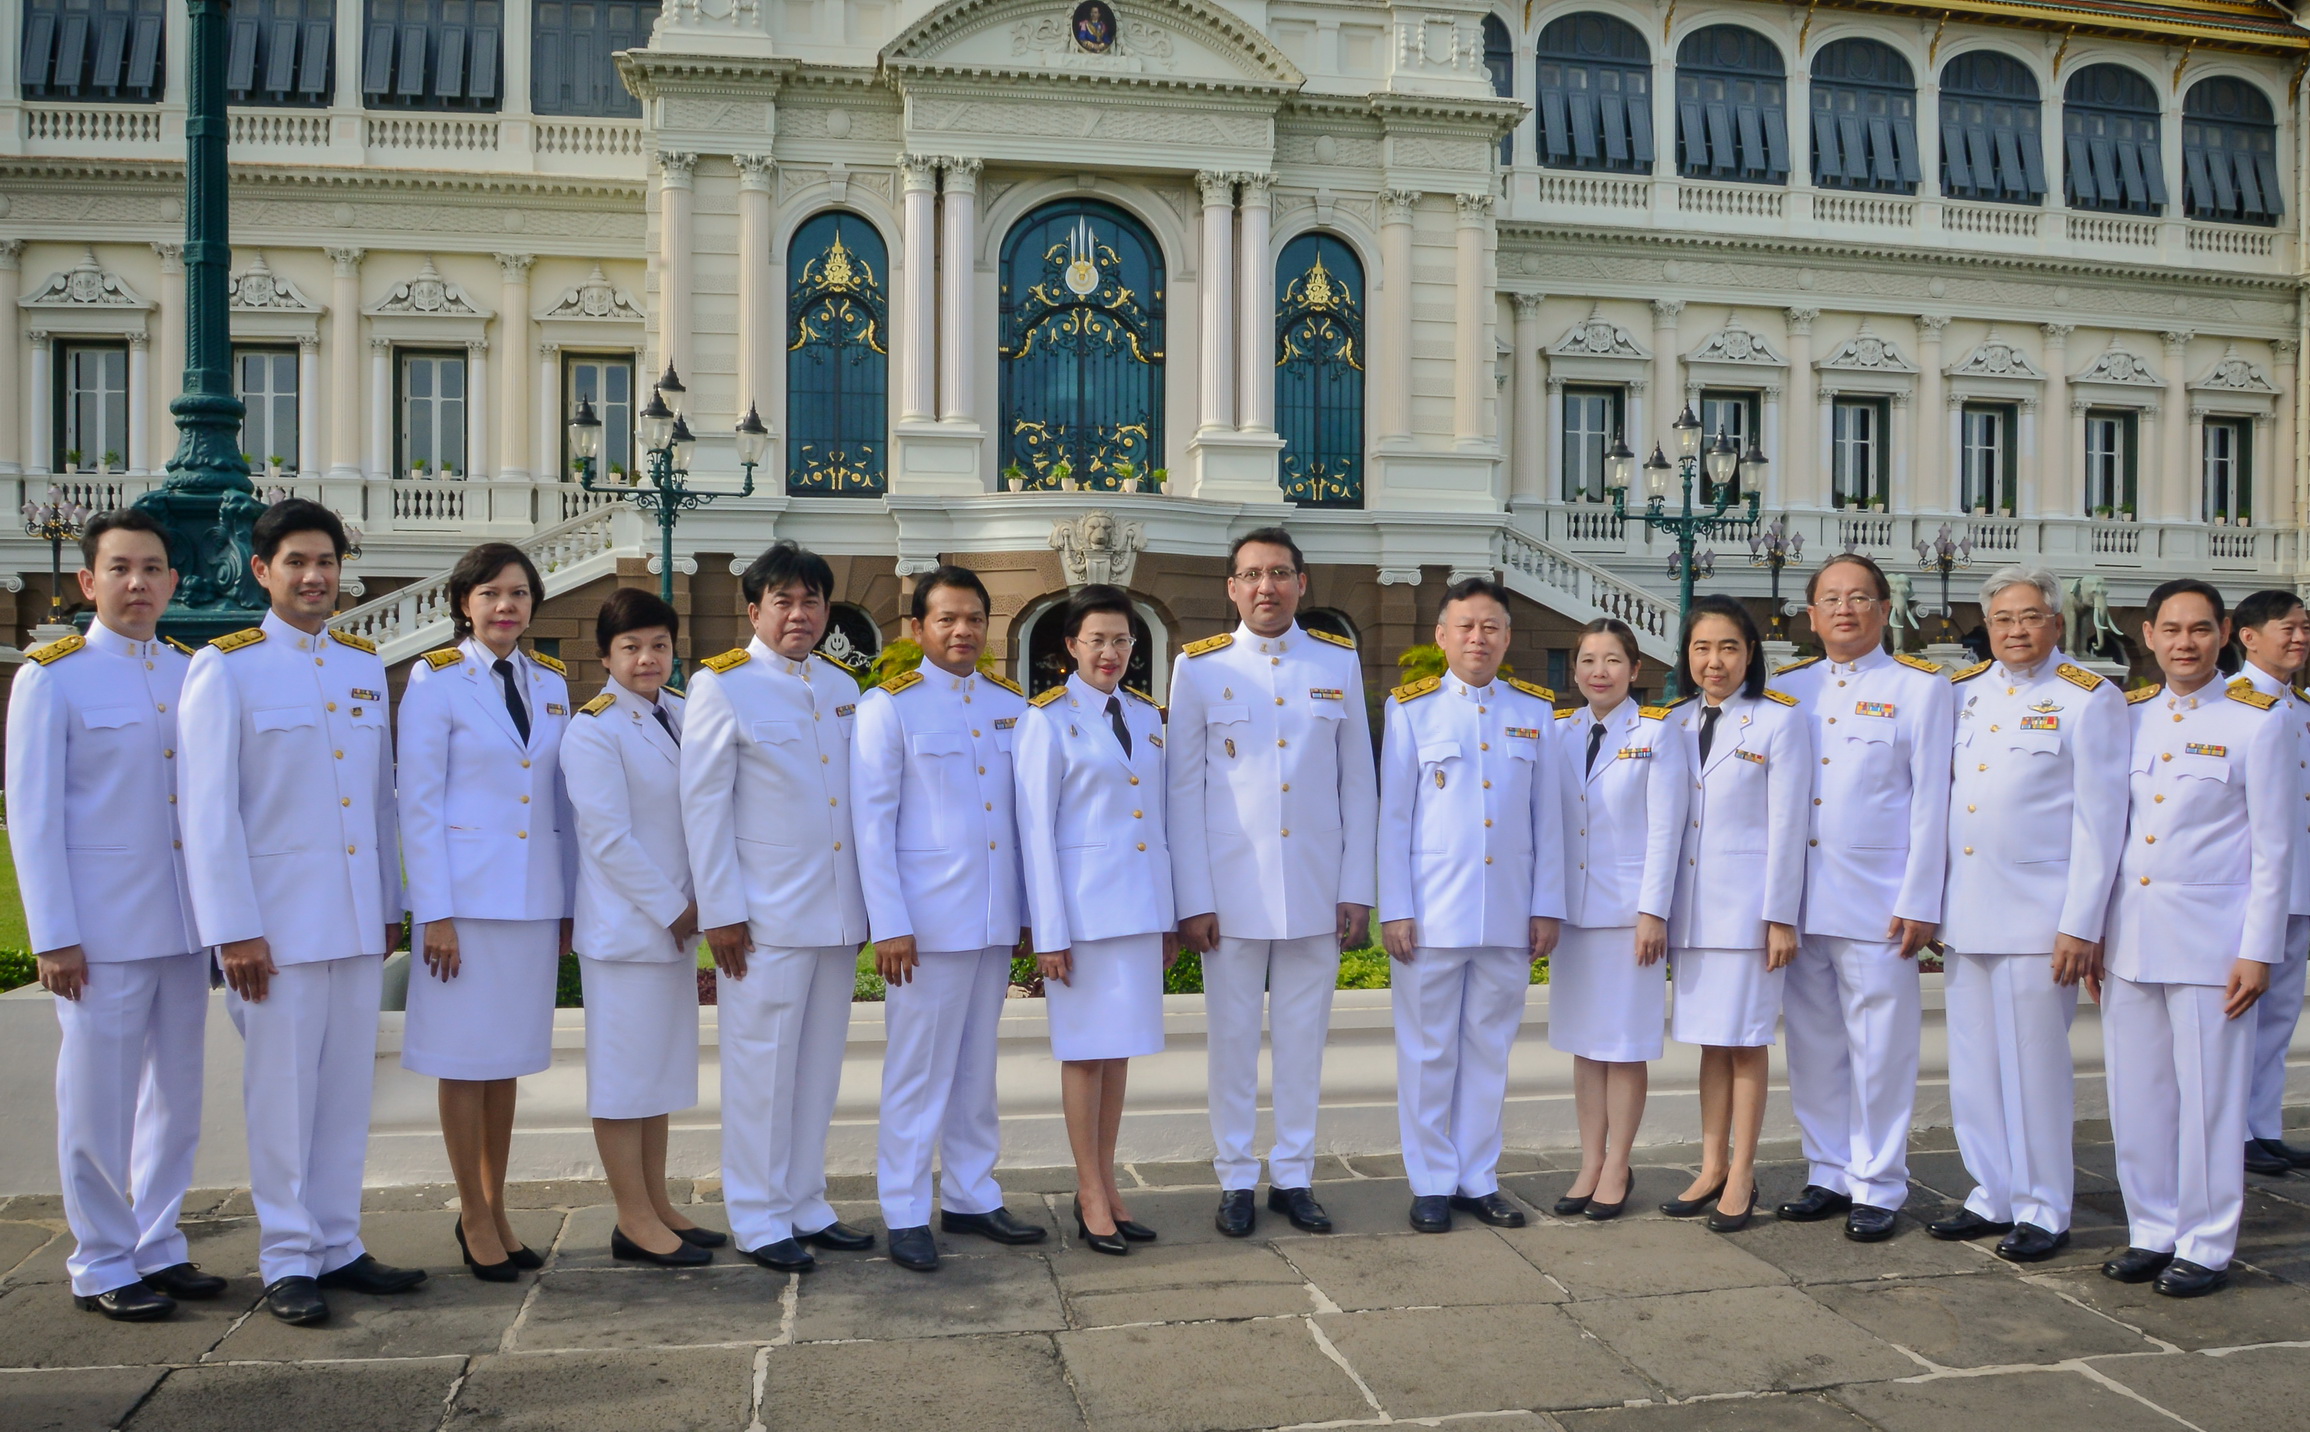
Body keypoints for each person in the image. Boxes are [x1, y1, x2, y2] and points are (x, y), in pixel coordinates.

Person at [179, 499, 424, 1326]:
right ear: (262, 571)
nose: (316, 577)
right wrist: (234, 927)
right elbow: (207, 812)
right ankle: (288, 1256)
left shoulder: (360, 665)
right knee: (281, 1093)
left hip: (355, 923)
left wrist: (390, 903)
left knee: (345, 1090)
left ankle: (338, 1242)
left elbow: (379, 805)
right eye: (297, 563)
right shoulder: (226, 666)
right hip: (273, 931)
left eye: (326, 562)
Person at [6, 509, 219, 1321]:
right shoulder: (53, 675)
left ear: (172, 582)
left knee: (176, 1095)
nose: (139, 583)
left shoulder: (188, 671)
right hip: (98, 933)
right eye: (122, 569)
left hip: (181, 925)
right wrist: (53, 935)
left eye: (153, 569)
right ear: (88, 582)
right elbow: (32, 818)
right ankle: (100, 1260)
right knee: (96, 1101)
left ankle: (159, 1242)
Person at [1168, 527, 1378, 1237]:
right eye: (1252, 574)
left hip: (1316, 890)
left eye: (1280, 573)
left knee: (1302, 1041)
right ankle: (1234, 1178)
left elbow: (1360, 786)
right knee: (1230, 1043)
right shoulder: (1199, 668)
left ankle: (1293, 1175)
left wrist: (1357, 888)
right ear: (1231, 588)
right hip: (1228, 896)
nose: (1267, 587)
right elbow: (1182, 792)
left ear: (1302, 583)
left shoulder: (1338, 663)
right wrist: (1192, 899)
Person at [683, 542, 875, 1275]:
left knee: (818, 1067)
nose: (800, 615)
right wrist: (721, 912)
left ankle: (805, 1200)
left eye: (813, 602)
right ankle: (758, 1216)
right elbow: (702, 807)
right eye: (784, 602)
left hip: (834, 913)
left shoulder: (839, 684)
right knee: (760, 1069)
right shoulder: (722, 685)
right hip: (761, 920)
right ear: (754, 609)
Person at [853, 564, 1045, 1272]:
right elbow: (872, 826)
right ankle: (904, 1207)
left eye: (973, 619)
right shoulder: (889, 707)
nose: (962, 631)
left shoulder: (1009, 705)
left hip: (992, 919)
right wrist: (889, 922)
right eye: (946, 620)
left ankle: (971, 1193)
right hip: (925, 928)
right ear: (917, 629)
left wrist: (1026, 913)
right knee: (917, 1068)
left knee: (975, 1067)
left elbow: (1021, 822)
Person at [1931, 566, 2126, 1263]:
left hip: (2040, 918)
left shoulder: (2089, 698)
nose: (2016, 630)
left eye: (2030, 616)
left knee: (2037, 1068)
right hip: (1968, 910)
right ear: (1987, 627)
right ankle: (1993, 1193)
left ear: (2055, 623)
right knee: (1975, 1065)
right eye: (2003, 619)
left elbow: (2101, 824)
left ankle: (2046, 1206)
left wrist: (2082, 922)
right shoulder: (1961, 696)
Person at [2100, 579, 2288, 1298]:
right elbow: (2110, 832)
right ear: (2147, 635)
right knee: (2138, 1094)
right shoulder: (2128, 716)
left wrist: (2257, 949)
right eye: (2172, 630)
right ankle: (2153, 1227)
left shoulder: (2257, 719)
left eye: (2200, 630)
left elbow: (2274, 850)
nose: (2185, 643)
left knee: (2210, 1098)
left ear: (2226, 634)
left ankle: (2206, 1242)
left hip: (2214, 944)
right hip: (2130, 938)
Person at [397, 543, 578, 1279]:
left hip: (533, 902)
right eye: (491, 594)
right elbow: (419, 801)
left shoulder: (552, 683)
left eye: (519, 594)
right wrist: (433, 911)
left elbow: (563, 806)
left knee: (504, 1067)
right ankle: (471, 1212)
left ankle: (498, 1205)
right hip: (464, 907)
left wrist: (568, 904)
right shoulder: (434, 680)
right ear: (464, 604)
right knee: (464, 1063)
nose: (506, 606)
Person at [1771, 554, 1954, 1242]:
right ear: (1811, 615)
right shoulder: (1790, 688)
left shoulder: (1919, 688)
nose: (1844, 610)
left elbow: (1931, 800)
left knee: (1881, 1048)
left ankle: (1878, 1182)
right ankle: (1828, 1171)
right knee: (1815, 1044)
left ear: (1883, 609)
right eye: (1830, 599)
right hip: (1801, 900)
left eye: (1859, 598)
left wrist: (1922, 897)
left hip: (1880, 902)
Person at [1377, 577, 1565, 1234]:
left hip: (1509, 915)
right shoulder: (1411, 710)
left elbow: (1550, 821)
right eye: (1465, 626)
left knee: (1489, 1050)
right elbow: (1393, 819)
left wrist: (1548, 907)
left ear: (1507, 638)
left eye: (1490, 627)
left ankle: (1477, 1176)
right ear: (1442, 635)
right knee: (1428, 1052)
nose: (1478, 638)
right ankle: (1430, 1179)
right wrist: (1394, 908)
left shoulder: (1535, 712)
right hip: (1431, 914)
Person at [559, 589, 720, 1267]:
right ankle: (631, 1218)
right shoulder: (592, 729)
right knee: (626, 1079)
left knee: (658, 1075)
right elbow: (607, 838)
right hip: (630, 931)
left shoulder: (682, 715)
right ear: (605, 656)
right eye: (630, 647)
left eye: (658, 645)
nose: (647, 658)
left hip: (677, 926)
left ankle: (658, 1203)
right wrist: (675, 908)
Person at [1014, 584, 1173, 1255]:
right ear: (1070, 648)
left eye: (1122, 640)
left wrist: (1168, 918)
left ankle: (1110, 1185)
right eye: (1097, 640)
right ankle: (1087, 1192)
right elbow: (1035, 832)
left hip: (1137, 913)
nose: (1110, 652)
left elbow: (1158, 823)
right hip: (1080, 920)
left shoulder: (1146, 716)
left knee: (1118, 1054)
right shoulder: (1045, 721)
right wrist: (1047, 931)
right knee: (1084, 1057)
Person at [1662, 595, 1813, 1232]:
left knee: (1747, 1042)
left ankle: (1744, 1171)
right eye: (1702, 647)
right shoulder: (1671, 722)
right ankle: (1710, 1164)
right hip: (1692, 915)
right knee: (1710, 1043)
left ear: (1750, 654)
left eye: (1728, 647)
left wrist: (1781, 916)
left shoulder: (1778, 721)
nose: (1714, 660)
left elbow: (1788, 825)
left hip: (1748, 914)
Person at [1548, 617, 1687, 1221]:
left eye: (1611, 661)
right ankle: (1589, 1161)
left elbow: (1667, 831)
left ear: (1636, 670)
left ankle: (1618, 1165)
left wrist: (1653, 912)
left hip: (1631, 916)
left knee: (1624, 1047)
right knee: (1585, 1047)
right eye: (1586, 661)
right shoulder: (1558, 732)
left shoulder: (1658, 732)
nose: (1597, 672)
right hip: (1573, 916)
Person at [2229, 589, 2310, 1176]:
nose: (2300, 638)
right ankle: (2232, 1128)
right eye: (2289, 628)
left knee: (2280, 1012)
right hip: (2246, 887)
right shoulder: (2232, 705)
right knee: (2241, 1014)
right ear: (2248, 635)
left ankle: (2263, 1126)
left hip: (2299, 882)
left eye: (2305, 628)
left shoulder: (2301, 709)